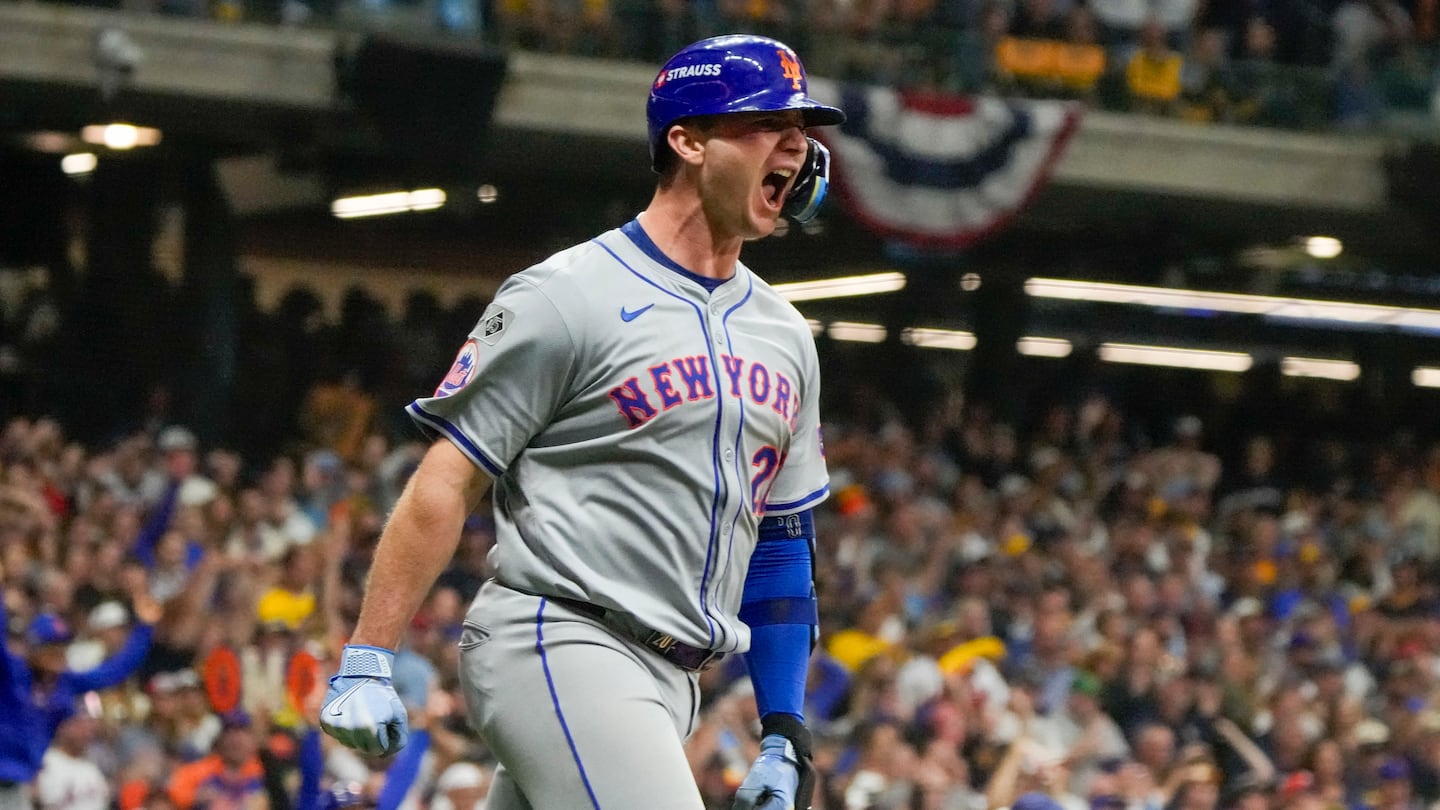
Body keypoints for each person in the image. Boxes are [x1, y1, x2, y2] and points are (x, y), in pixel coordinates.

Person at [319, 32, 845, 810]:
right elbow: (448, 479)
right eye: (769, 122)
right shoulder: (568, 293)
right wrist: (368, 655)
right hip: (559, 638)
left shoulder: (785, 332)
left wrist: (782, 728)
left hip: (674, 682)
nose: (799, 146)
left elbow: (778, 545)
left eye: (804, 129)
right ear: (688, 140)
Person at [0, 577, 161, 810]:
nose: (57, 653)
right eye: (49, 646)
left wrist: (144, 627)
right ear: (33, 647)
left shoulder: (65, 682)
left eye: (61, 646)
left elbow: (114, 671)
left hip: (16, 785)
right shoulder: (11, 673)